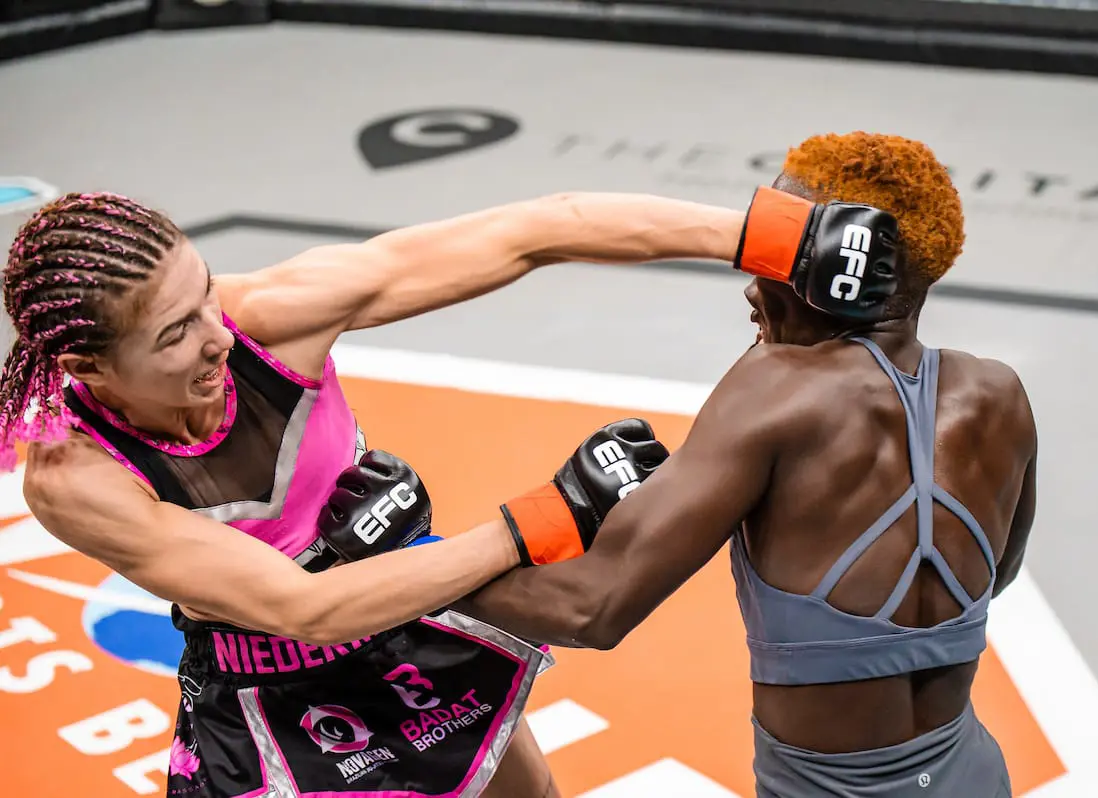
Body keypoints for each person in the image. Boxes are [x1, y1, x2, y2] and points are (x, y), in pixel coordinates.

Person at [0, 187, 801, 797]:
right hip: (268, 693)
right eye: (174, 333)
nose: (217, 333)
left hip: (412, 620)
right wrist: (550, 515)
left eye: (204, 290)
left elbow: (532, 233)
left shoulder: (269, 317)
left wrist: (779, 238)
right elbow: (300, 610)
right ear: (86, 370)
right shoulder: (76, 477)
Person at [457, 132, 1038, 798]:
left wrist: (411, 576)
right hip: (972, 775)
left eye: (774, 249)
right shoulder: (1000, 394)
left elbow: (593, 606)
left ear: (833, 269)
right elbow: (1001, 571)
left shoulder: (775, 389)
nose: (750, 283)